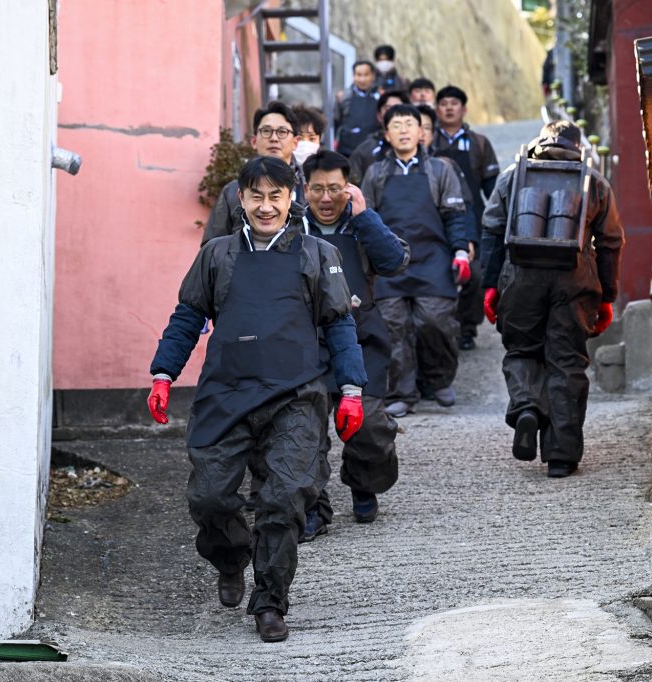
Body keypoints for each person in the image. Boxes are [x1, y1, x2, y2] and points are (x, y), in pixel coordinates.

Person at [147, 157, 367, 642]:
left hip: (294, 396)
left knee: (284, 497)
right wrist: (164, 373)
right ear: (240, 200)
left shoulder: (317, 253)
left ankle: (270, 600)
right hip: (226, 393)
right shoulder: (217, 255)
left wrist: (351, 390)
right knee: (208, 497)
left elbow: (339, 324)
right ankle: (230, 557)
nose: (266, 207)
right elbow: (187, 317)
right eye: (256, 197)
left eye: (276, 196)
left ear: (292, 199)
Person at [480, 120, 624, 477]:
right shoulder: (594, 181)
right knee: (566, 362)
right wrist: (607, 295)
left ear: (538, 141)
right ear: (579, 147)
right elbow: (610, 242)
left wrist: (489, 285)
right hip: (574, 280)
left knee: (522, 350)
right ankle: (561, 455)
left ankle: (527, 406)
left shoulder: (514, 176)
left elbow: (491, 229)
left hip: (519, 275)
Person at [299, 150, 410, 538]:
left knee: (370, 425)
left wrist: (365, 217)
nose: (326, 198)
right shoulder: (292, 228)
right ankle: (313, 505)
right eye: (317, 189)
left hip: (362, 341)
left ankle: (364, 482)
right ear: (304, 189)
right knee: (304, 431)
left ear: (349, 188)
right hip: (305, 344)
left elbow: (395, 261)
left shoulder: (362, 225)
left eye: (334, 189)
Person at [362, 103, 470, 418]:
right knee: (394, 327)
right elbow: (365, 219)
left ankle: (438, 381)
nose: (404, 130)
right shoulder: (376, 173)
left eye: (410, 124)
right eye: (397, 125)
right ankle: (402, 393)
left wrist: (460, 250)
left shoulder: (440, 170)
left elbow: (455, 216)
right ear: (387, 134)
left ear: (421, 132)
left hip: (432, 258)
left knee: (435, 321)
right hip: (389, 262)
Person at [431, 85, 500, 351]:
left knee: (475, 276)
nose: (449, 107)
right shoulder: (429, 141)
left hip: (474, 218)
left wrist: (496, 218)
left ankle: (467, 328)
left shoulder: (479, 143)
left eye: (454, 103)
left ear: (464, 109)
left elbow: (492, 188)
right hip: (437, 217)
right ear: (438, 110)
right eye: (444, 103)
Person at [202, 101, 305, 245]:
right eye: (266, 131)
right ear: (254, 141)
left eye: (282, 132)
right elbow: (212, 248)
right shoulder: (232, 192)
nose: (274, 138)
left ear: (295, 142)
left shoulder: (311, 188)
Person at [348, 90, 406, 185]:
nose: (393, 114)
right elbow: (352, 186)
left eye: (398, 109)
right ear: (379, 116)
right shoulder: (364, 151)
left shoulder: (417, 148)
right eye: (388, 108)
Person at [335, 61, 381, 158]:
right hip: (347, 150)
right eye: (358, 75)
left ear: (372, 76)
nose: (362, 79)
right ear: (353, 76)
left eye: (366, 75)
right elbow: (336, 120)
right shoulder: (343, 97)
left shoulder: (380, 96)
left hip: (374, 149)